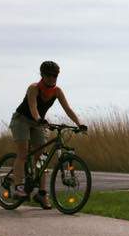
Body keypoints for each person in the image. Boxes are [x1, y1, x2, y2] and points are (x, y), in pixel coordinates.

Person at [8, 61, 85, 208]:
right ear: (42, 75)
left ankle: (42, 194)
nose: (52, 78)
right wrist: (39, 119)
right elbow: (33, 106)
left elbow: (68, 109)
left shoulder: (57, 91)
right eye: (49, 75)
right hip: (22, 120)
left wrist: (79, 124)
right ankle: (18, 187)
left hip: (38, 123)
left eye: (55, 76)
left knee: (41, 159)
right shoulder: (34, 88)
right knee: (23, 154)